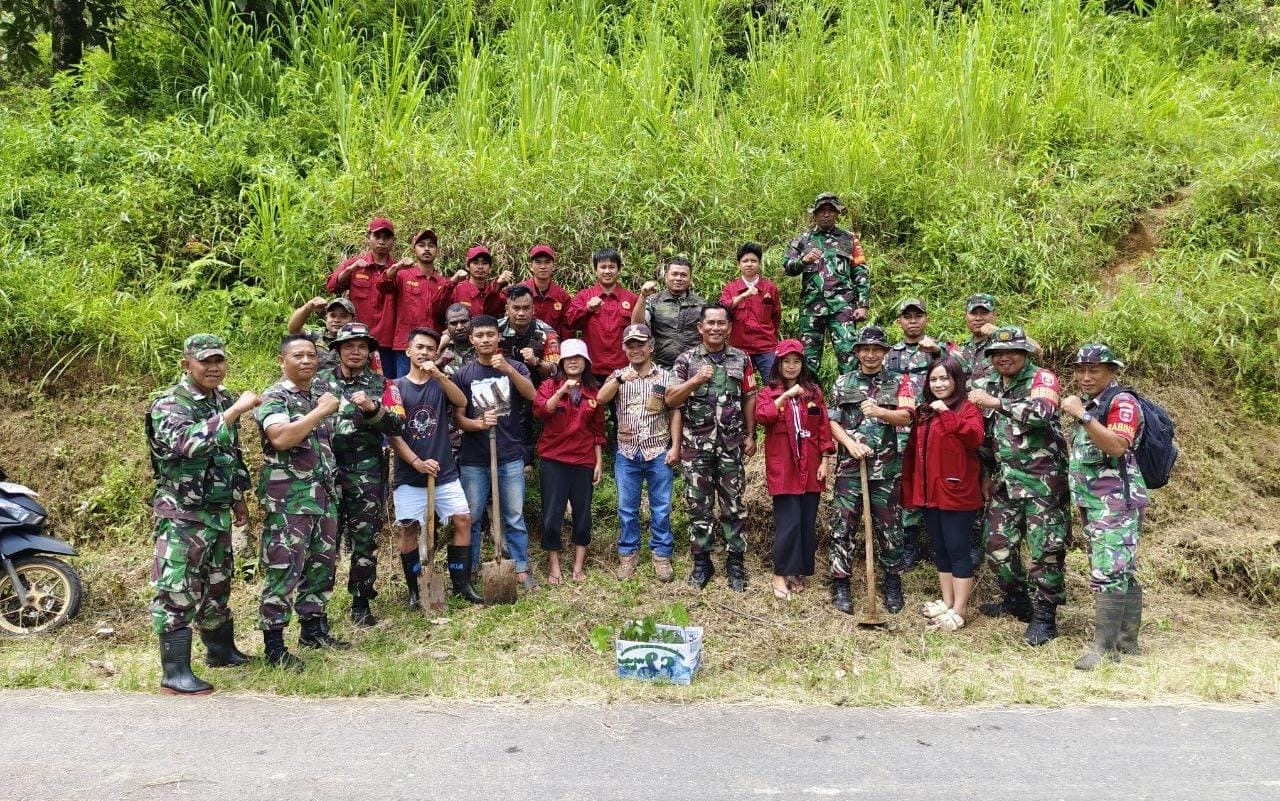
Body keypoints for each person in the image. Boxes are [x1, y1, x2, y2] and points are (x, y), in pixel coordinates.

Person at [146, 334, 255, 695]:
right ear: (186, 365)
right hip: (182, 515)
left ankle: (220, 650)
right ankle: (174, 673)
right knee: (177, 589)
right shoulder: (170, 404)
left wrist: (238, 496)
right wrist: (235, 411)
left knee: (218, 584)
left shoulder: (222, 398)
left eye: (219, 360)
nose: (214, 368)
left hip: (217, 511)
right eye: (205, 361)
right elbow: (189, 444)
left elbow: (230, 453)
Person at [967, 326, 1070, 646]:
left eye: (1011, 352)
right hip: (1005, 481)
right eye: (997, 353)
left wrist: (995, 402)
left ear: (1025, 353)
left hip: (1043, 482)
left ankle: (1045, 615)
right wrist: (985, 471)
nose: (1004, 358)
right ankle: (1017, 600)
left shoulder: (1042, 379)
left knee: (1045, 550)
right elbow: (985, 434)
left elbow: (1042, 413)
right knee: (996, 545)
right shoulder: (989, 383)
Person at [254, 335, 344, 670]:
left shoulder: (317, 394)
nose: (306, 360)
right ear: (282, 360)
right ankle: (274, 646)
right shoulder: (275, 396)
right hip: (290, 500)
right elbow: (281, 438)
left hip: (322, 496)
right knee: (284, 569)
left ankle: (314, 630)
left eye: (311, 355)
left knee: (322, 566)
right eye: (298, 355)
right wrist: (320, 412)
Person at [1060, 344, 1147, 670]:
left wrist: (1081, 415)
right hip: (1096, 503)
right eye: (1080, 370)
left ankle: (1104, 650)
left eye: (1094, 370)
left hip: (1116, 504)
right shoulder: (1093, 404)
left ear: (1112, 371)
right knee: (1120, 570)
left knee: (1110, 572)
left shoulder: (1121, 403)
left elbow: (1117, 445)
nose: (1085, 376)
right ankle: (1127, 644)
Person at [313, 323, 402, 627]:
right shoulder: (317, 383)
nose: (356, 351)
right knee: (323, 541)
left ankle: (361, 602)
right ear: (337, 350)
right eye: (349, 346)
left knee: (365, 539)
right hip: (325, 471)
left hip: (365, 471)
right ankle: (316, 610)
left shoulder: (383, 384)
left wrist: (372, 408)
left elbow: (397, 426)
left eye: (362, 347)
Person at [665, 304, 758, 591]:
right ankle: (702, 561)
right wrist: (696, 380)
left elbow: (750, 398)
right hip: (697, 446)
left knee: (734, 506)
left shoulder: (741, 359)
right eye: (711, 323)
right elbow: (671, 401)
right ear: (700, 327)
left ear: (729, 327)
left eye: (721, 323)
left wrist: (751, 434)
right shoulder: (685, 360)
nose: (716, 328)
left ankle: (736, 563)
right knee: (699, 507)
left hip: (731, 445)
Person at [387, 327, 482, 606]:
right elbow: (393, 435)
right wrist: (416, 462)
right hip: (408, 474)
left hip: (444, 471)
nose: (425, 353)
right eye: (419, 347)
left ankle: (461, 583)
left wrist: (438, 373)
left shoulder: (441, 383)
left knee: (463, 519)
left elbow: (462, 402)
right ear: (408, 351)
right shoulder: (395, 387)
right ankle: (415, 590)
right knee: (410, 529)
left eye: (430, 348)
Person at [826, 326, 914, 614]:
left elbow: (906, 417)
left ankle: (892, 582)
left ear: (885, 353)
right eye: (865, 349)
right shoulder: (842, 382)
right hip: (850, 469)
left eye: (877, 349)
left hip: (886, 471)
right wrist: (850, 444)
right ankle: (841, 583)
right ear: (857, 352)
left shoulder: (900, 383)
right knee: (843, 526)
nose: (871, 354)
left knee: (890, 528)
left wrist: (880, 412)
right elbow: (832, 421)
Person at [452, 315, 540, 590]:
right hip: (474, 458)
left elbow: (532, 395)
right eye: (480, 336)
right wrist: (478, 424)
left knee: (514, 515)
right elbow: (458, 418)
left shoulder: (514, 367)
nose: (486, 340)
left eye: (491, 334)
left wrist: (509, 371)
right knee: (474, 516)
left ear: (499, 337)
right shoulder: (463, 374)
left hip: (510, 454)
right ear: (472, 340)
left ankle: (520, 568)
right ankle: (475, 570)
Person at [901, 357, 985, 632]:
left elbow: (975, 438)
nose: (938, 384)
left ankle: (959, 610)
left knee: (958, 549)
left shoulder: (968, 409)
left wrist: (946, 414)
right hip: (930, 493)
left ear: (956, 381)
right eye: (934, 379)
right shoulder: (924, 412)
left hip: (957, 492)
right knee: (940, 549)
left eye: (944, 379)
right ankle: (948, 602)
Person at [597, 324, 681, 582]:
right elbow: (601, 399)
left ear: (651, 347)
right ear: (624, 348)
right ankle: (628, 553)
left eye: (640, 345)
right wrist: (621, 379)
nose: (635, 350)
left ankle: (661, 554)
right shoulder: (618, 375)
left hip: (658, 450)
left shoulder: (666, 377)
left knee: (661, 507)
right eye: (630, 345)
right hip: (627, 452)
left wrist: (676, 447)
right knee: (626, 508)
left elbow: (675, 411)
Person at [754, 339, 834, 601]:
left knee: (806, 521)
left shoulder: (813, 393)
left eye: (796, 361)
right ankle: (780, 573)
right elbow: (763, 416)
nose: (791, 366)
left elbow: (823, 427)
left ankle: (797, 570)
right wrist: (786, 396)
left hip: (810, 465)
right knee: (788, 522)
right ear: (778, 363)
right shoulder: (769, 393)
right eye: (786, 361)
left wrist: (825, 459)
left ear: (802, 364)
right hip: (785, 466)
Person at [533, 339, 606, 583]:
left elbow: (598, 431)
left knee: (583, 514)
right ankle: (554, 565)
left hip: (583, 459)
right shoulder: (548, 386)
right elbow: (541, 412)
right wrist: (561, 391)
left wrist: (598, 462)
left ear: (586, 362)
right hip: (553, 458)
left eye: (578, 357)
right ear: (562, 362)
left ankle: (578, 566)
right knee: (552, 513)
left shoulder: (594, 393)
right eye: (568, 358)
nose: (573, 361)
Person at [886, 298, 947, 570]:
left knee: (936, 480)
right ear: (899, 321)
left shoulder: (939, 350)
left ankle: (940, 544)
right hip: (900, 428)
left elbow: (959, 374)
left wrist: (938, 351)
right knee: (906, 482)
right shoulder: (889, 354)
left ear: (926, 319)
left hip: (933, 426)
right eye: (907, 316)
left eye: (918, 316)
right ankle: (908, 544)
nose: (913, 321)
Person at [783, 192, 870, 375]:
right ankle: (810, 400)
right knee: (808, 358)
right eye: (821, 210)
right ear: (814, 214)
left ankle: (849, 399)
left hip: (842, 307)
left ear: (838, 213)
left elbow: (860, 271)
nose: (826, 214)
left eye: (831, 210)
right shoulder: (802, 240)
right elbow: (788, 268)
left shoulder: (849, 238)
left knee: (849, 353)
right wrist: (803, 260)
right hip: (811, 307)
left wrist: (863, 304)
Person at [325, 217, 399, 377]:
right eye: (377, 236)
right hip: (356, 339)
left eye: (386, 237)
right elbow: (332, 286)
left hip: (386, 341)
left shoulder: (399, 270)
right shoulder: (355, 265)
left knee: (384, 384)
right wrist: (350, 270)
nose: (382, 241)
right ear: (368, 237)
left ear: (393, 241)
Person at [378, 229, 450, 378]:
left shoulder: (443, 282)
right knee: (403, 389)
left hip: (433, 347)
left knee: (431, 389)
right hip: (406, 347)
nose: (427, 249)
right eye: (422, 245)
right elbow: (382, 285)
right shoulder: (403, 275)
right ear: (414, 250)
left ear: (437, 251)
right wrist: (397, 266)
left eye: (431, 245)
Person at [566, 248, 638, 383]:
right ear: (595, 270)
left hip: (623, 370)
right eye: (603, 267)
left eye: (612, 267)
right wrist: (587, 309)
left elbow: (640, 331)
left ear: (619, 269)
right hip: (590, 370)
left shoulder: (632, 299)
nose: (607, 271)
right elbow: (570, 324)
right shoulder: (583, 296)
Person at [720, 242, 782, 379]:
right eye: (745, 261)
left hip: (766, 347)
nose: (749, 264)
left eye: (753, 261)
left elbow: (776, 317)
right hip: (739, 347)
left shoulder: (770, 288)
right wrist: (743, 295)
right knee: (736, 387)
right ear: (739, 264)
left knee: (774, 385)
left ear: (759, 264)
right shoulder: (730, 288)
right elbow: (723, 310)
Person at [633, 256, 706, 369]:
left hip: (694, 367)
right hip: (661, 367)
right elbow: (637, 326)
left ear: (691, 279)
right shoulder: (653, 301)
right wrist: (642, 296)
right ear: (666, 277)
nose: (678, 278)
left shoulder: (702, 304)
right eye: (674, 274)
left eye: (683, 275)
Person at [287, 297, 356, 372]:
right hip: (318, 382)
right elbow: (294, 330)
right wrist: (308, 307)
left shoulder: (360, 340)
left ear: (353, 320)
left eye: (343, 316)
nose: (337, 320)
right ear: (326, 318)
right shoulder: (316, 337)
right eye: (333, 316)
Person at [518, 243, 573, 339]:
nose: (543, 266)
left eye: (547, 262)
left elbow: (566, 329)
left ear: (554, 266)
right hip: (522, 346)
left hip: (552, 348)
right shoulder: (518, 291)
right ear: (531, 266)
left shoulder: (562, 296)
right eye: (538, 262)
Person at [449, 245, 510, 319]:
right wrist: (451, 282)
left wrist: (498, 286)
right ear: (467, 266)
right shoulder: (457, 290)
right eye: (475, 263)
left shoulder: (495, 291)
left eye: (484, 263)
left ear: (490, 268)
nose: (480, 267)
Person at [437, 303, 475, 375]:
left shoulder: (483, 346)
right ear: (446, 325)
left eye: (464, 321)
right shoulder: (439, 352)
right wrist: (437, 364)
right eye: (453, 323)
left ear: (471, 321)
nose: (459, 327)